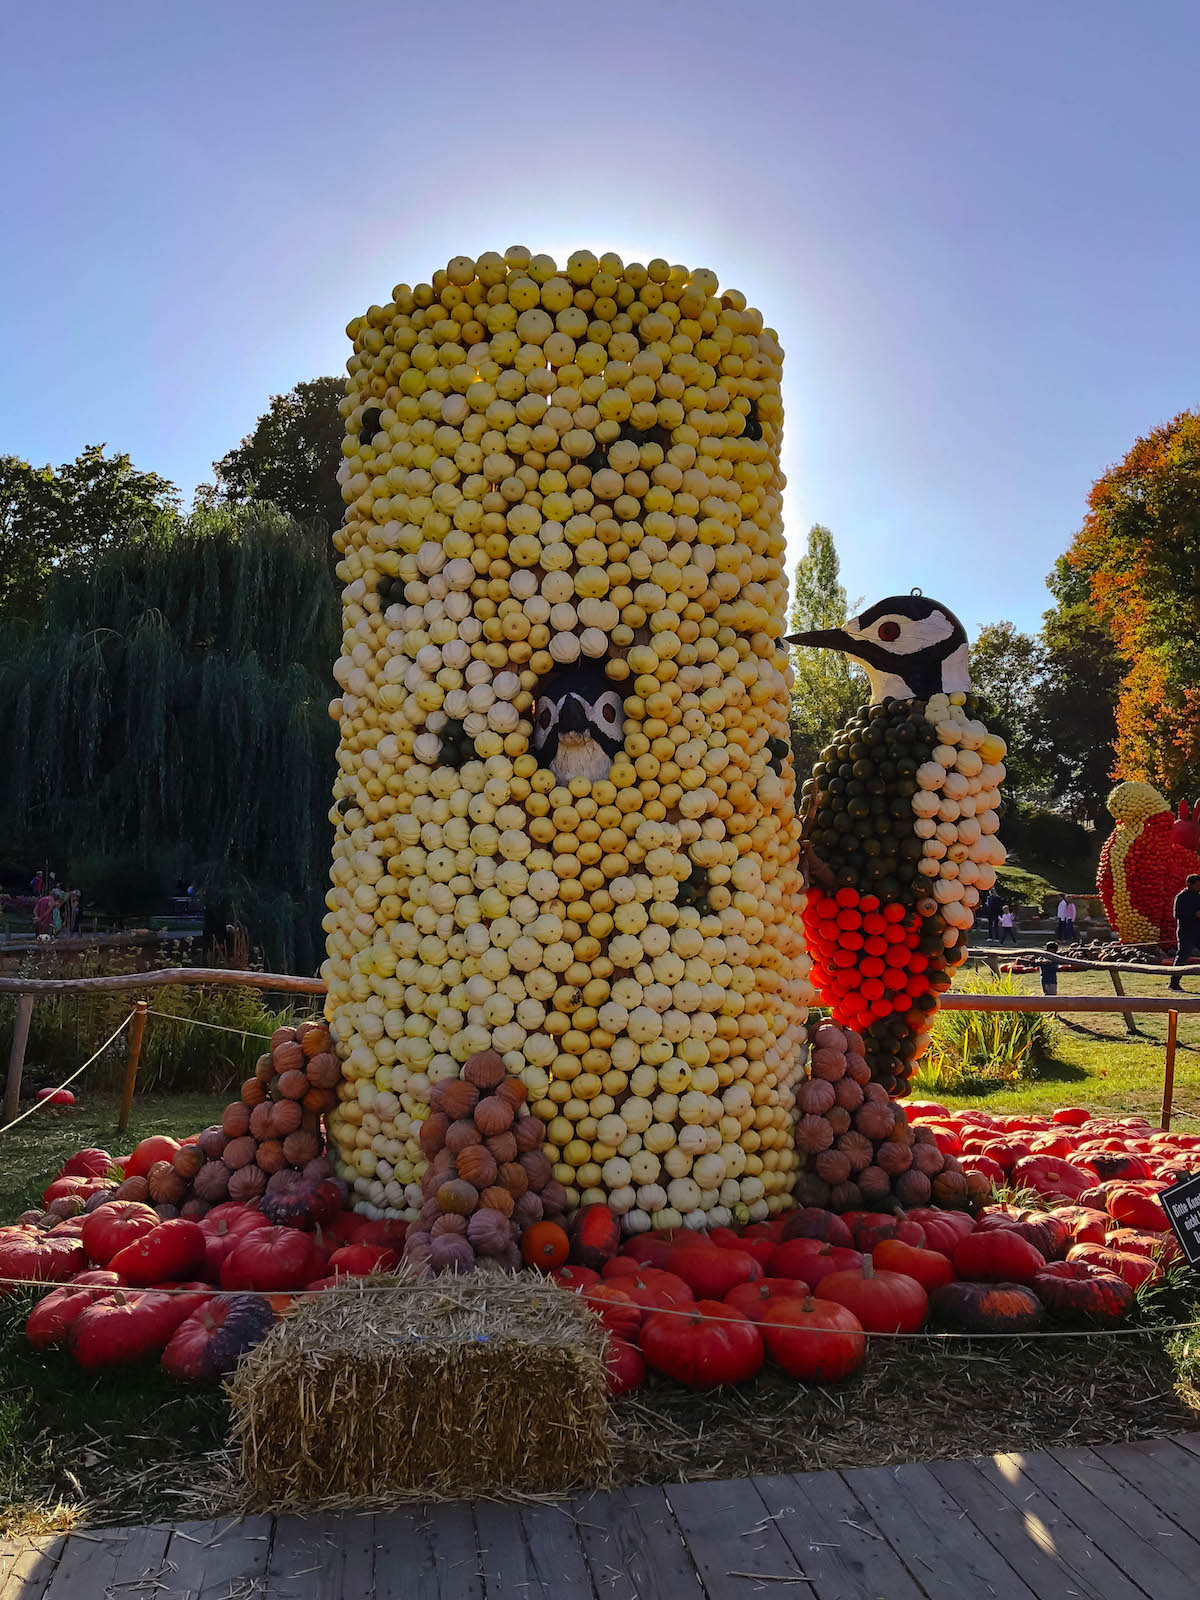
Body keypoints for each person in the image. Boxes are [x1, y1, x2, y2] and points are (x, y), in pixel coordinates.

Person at [1169, 874, 1200, 993]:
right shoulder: (1181, 897)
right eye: (1197, 885)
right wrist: (1194, 915)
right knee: (1182, 957)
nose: (1199, 887)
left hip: (1198, 931)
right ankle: (1174, 983)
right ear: (1189, 884)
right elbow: (1177, 915)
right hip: (1186, 932)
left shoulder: (1198, 896)